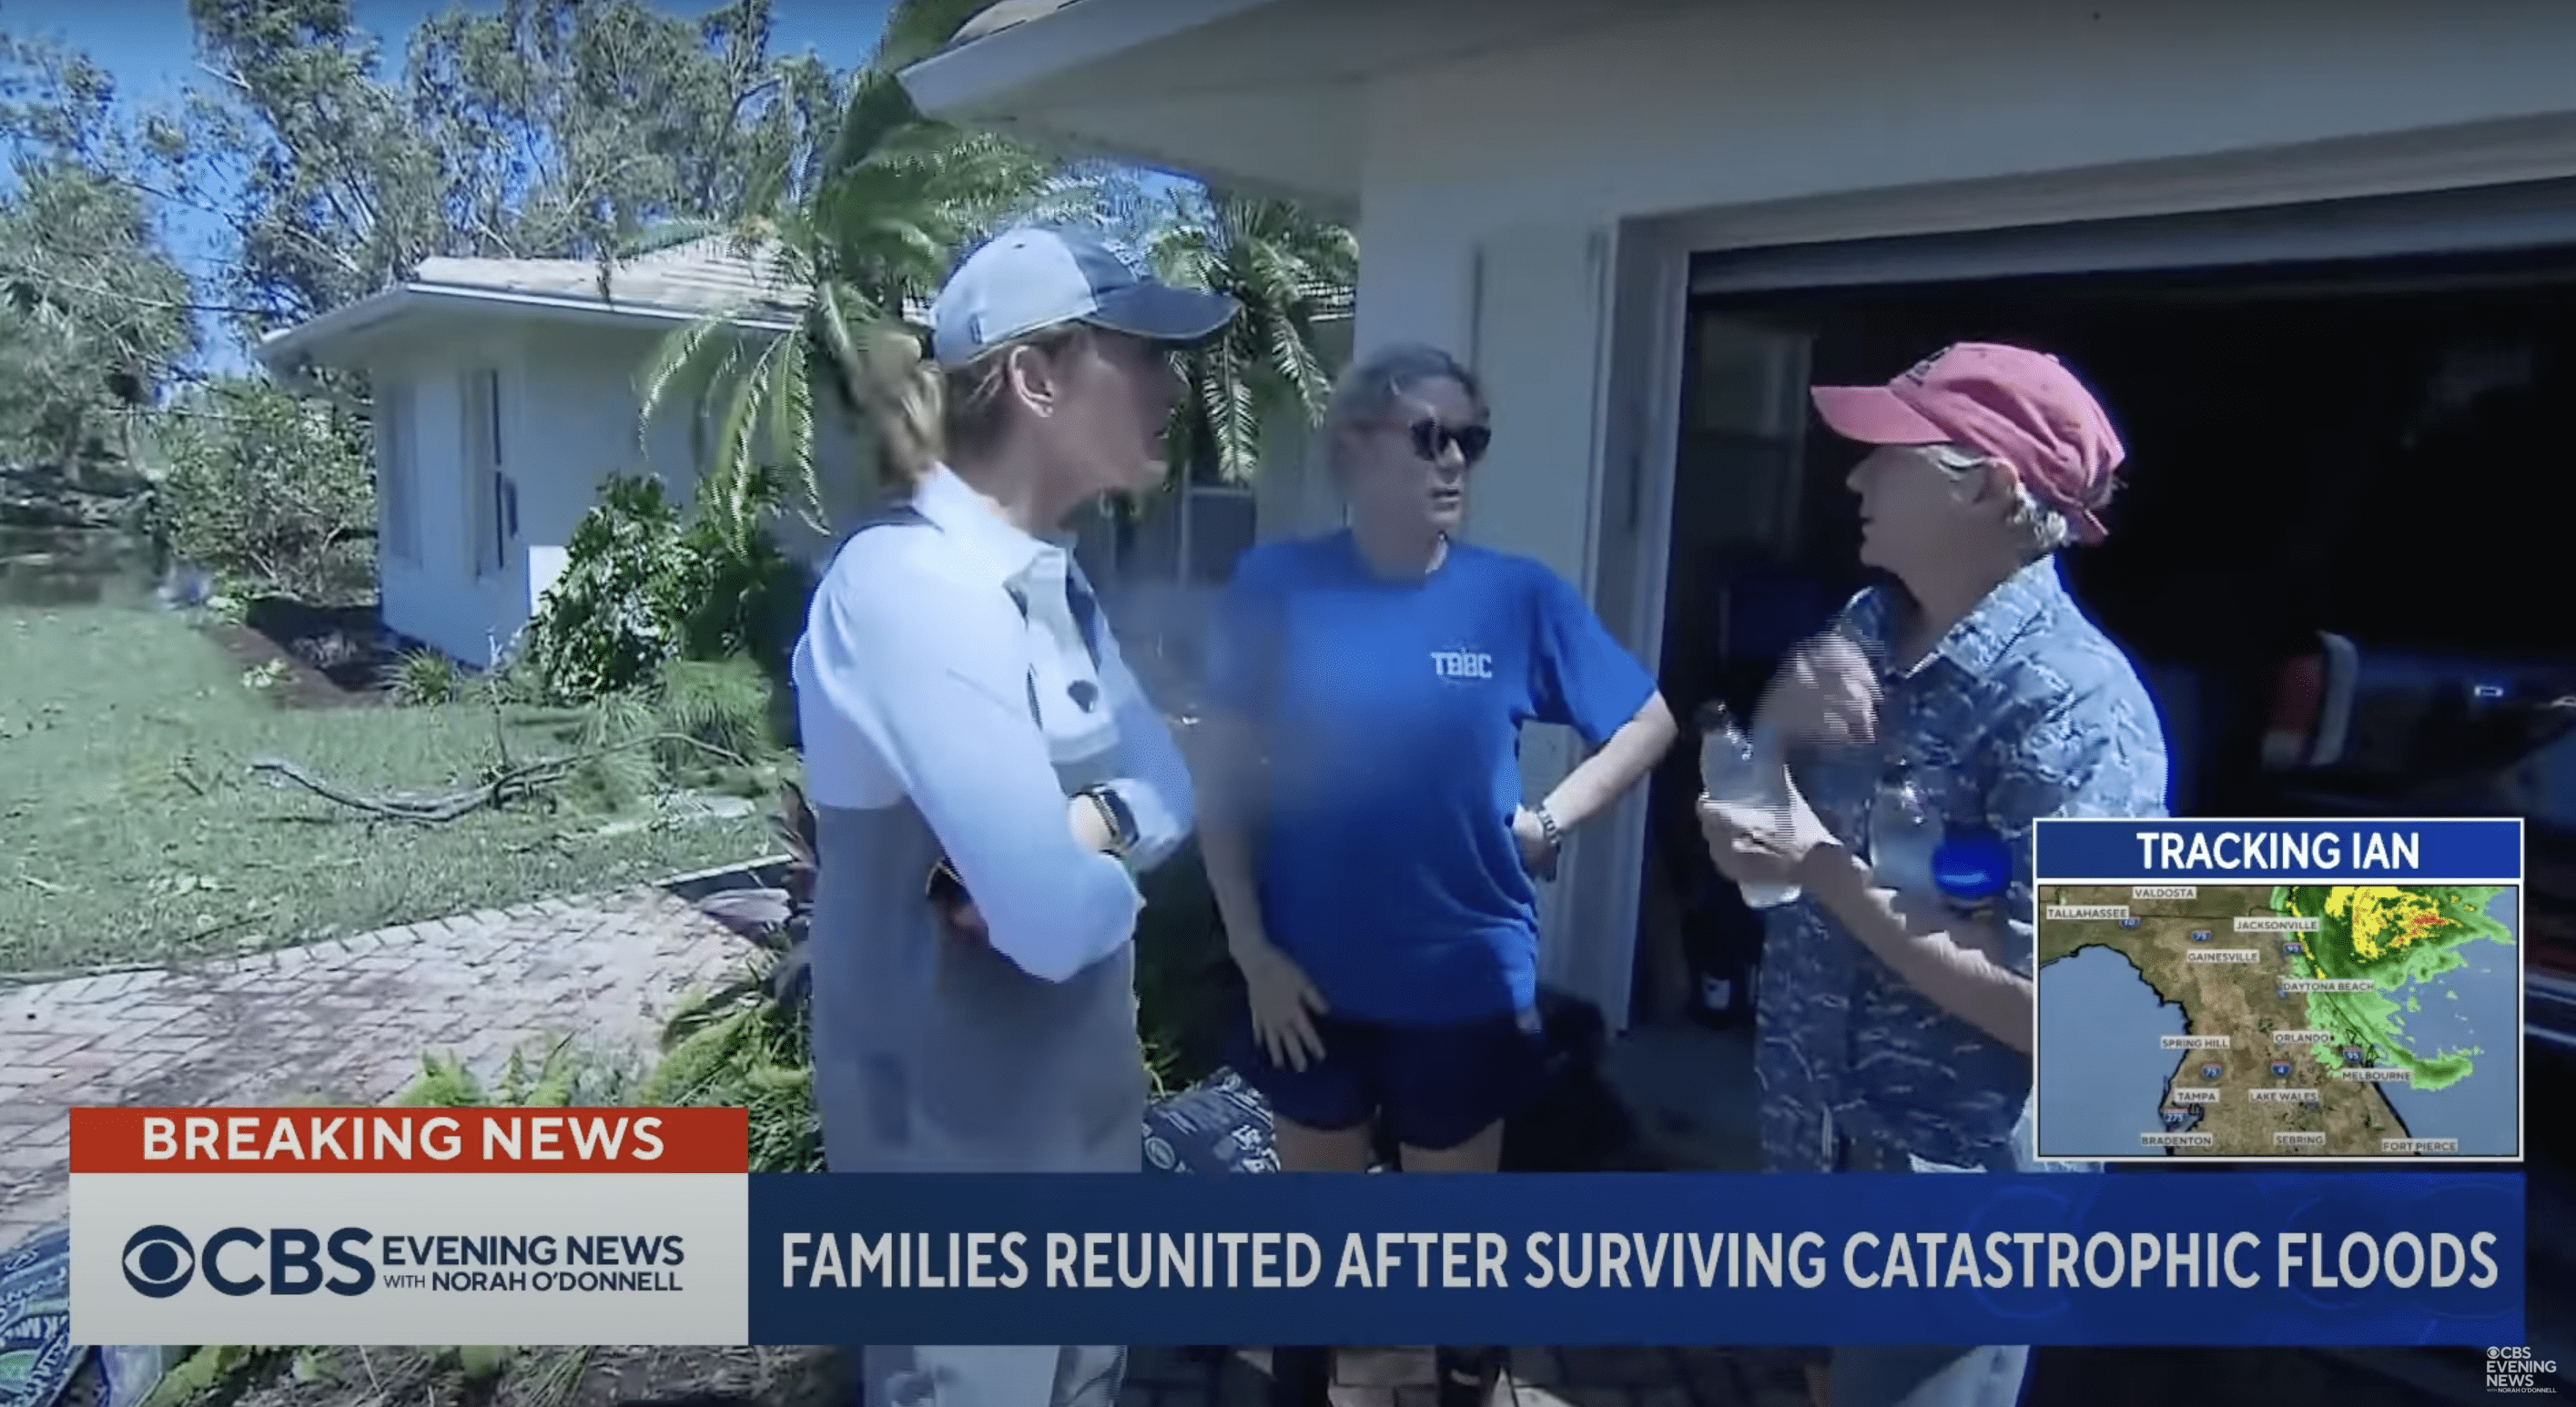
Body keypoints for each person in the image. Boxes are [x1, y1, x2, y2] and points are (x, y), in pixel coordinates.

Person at [791, 226, 1240, 1407]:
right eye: (1140, 353)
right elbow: (1041, 921)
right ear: (1036, 378)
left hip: (1079, 1142)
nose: (1172, 386)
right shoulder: (909, 587)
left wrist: (1073, 835)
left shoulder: (1050, 574)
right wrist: (1074, 859)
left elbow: (1170, 794)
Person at [1195, 343, 1678, 1407]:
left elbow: (1646, 721)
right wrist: (1251, 949)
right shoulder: (1278, 587)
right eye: (1427, 435)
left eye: (1472, 439)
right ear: (1355, 450)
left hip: (1461, 982)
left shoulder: (1516, 599)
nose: (1453, 459)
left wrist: (1553, 816)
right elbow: (1220, 778)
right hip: (1308, 977)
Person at [1697, 343, 2168, 1407]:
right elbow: (1758, 813)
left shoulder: (2078, 709)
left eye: (1889, 454)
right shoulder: (1864, 632)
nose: (1855, 478)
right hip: (1814, 1147)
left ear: (1993, 487)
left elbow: (2083, 1020)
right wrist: (1770, 728)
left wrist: (1818, 869)